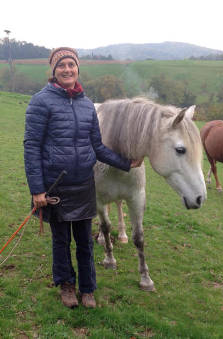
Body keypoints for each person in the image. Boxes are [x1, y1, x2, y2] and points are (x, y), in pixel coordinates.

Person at [24, 47, 142, 309]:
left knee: (85, 242)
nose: (68, 69)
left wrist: (126, 163)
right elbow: (31, 146)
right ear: (54, 71)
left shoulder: (87, 104)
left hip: (83, 184)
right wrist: (37, 189)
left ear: (78, 69)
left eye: (72, 65)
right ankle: (66, 285)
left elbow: (97, 147)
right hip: (55, 186)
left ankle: (88, 288)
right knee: (61, 241)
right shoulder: (40, 101)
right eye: (62, 65)